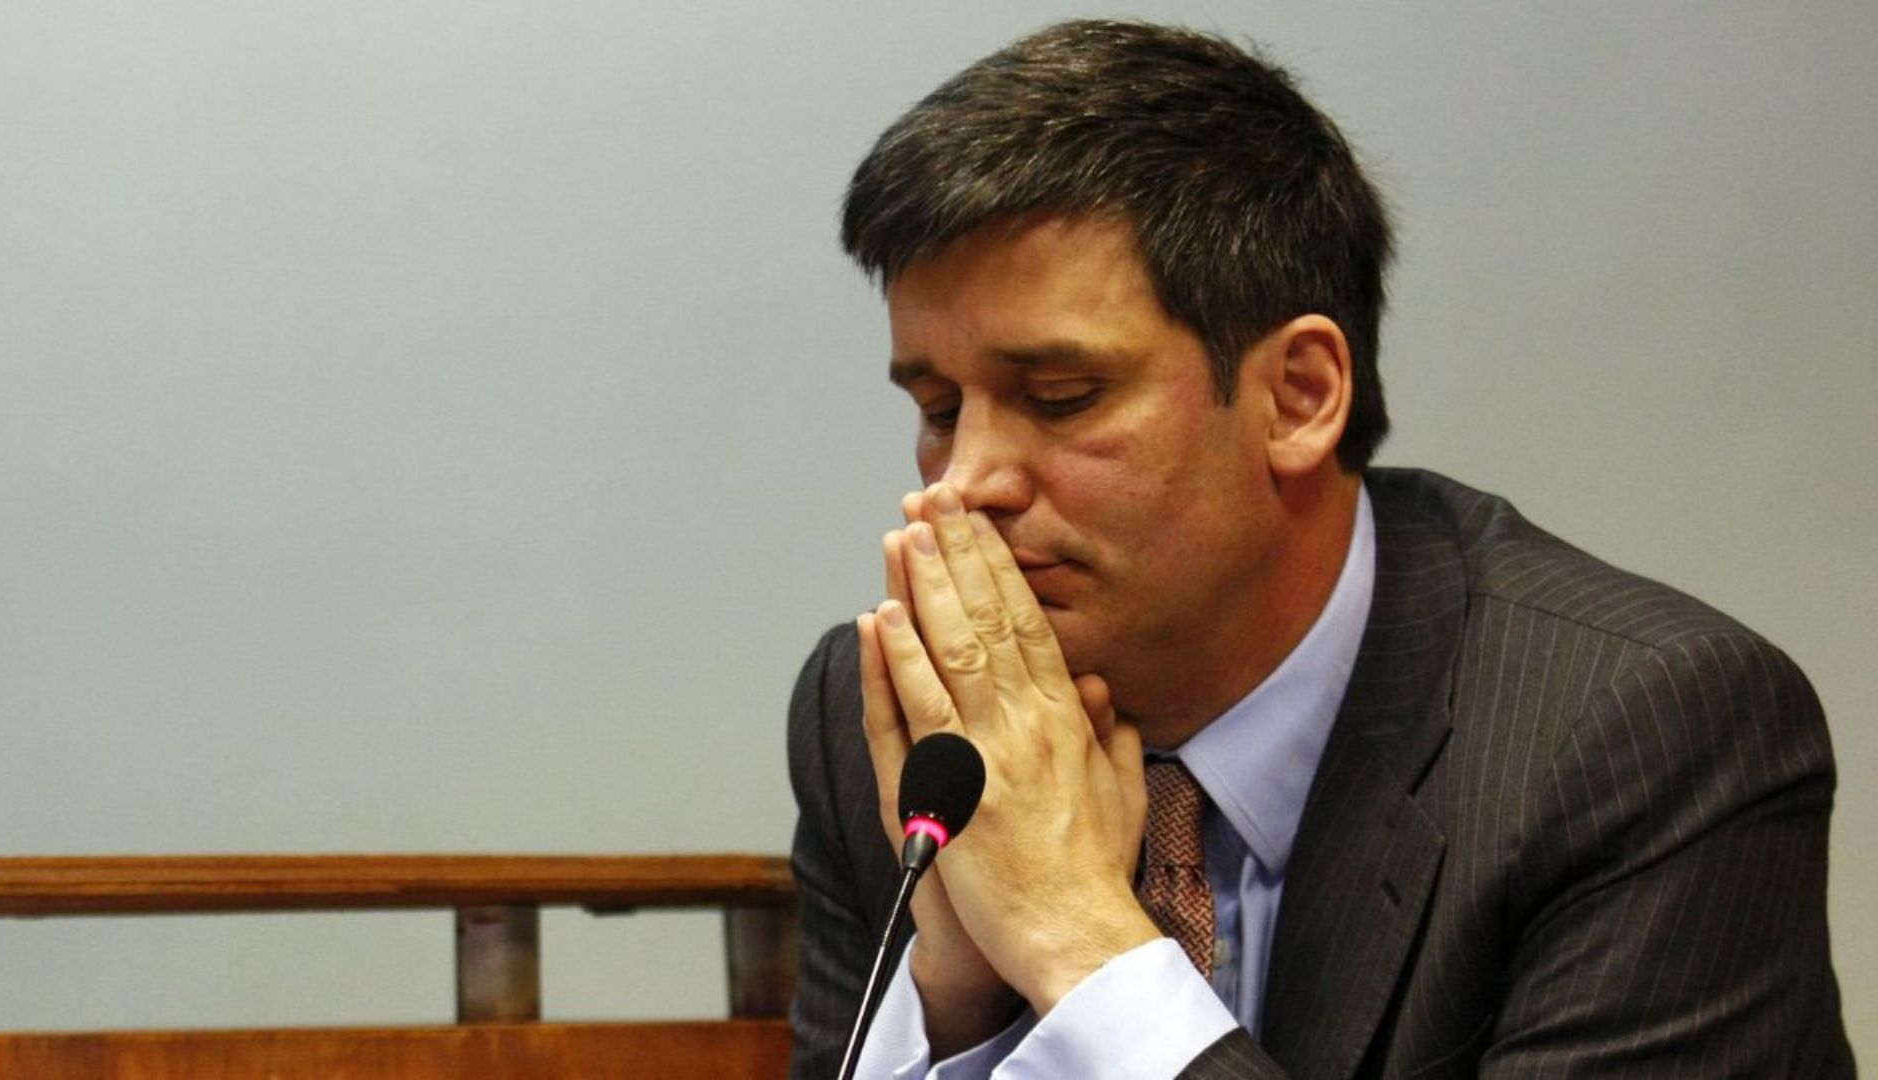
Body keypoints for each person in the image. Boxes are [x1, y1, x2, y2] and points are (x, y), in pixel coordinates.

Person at [786, 19, 1852, 1079]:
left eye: (1061, 396)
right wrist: (959, 1003)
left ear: (1298, 397)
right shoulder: (900, 728)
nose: (965, 481)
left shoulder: (1637, 739)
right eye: (938, 409)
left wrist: (1074, 940)